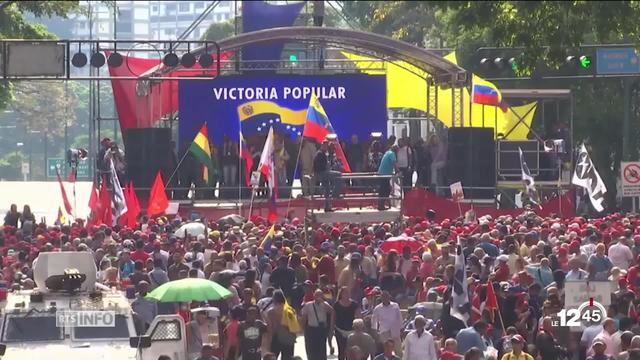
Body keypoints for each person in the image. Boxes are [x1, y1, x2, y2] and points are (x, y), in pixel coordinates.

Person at [301, 289, 336, 360]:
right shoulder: (308, 305)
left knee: (322, 350)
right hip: (311, 329)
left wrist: (331, 328)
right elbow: (304, 317)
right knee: (311, 350)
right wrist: (303, 328)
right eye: (317, 295)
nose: (318, 297)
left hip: (321, 330)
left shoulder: (325, 304)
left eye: (320, 295)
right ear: (314, 296)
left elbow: (332, 311)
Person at [266, 290, 296, 360]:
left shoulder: (271, 311)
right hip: (288, 337)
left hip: (276, 337)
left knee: (273, 357)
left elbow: (270, 328)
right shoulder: (290, 310)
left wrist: (268, 342)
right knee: (288, 358)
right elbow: (294, 327)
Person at [372, 291, 403, 356]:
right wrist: (375, 331)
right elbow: (374, 320)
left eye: (386, 296)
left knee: (398, 351)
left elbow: (399, 317)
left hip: (395, 331)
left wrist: (401, 328)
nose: (385, 298)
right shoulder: (377, 308)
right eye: (383, 297)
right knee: (387, 351)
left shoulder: (395, 306)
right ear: (381, 298)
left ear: (389, 297)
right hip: (384, 332)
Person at [334, 286, 362, 360]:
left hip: (351, 330)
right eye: (345, 293)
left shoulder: (354, 304)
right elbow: (333, 318)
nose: (346, 294)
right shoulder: (336, 305)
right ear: (341, 294)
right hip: (339, 330)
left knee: (351, 351)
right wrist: (331, 330)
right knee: (341, 351)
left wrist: (359, 328)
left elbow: (359, 316)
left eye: (348, 292)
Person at [377, 145, 398, 210]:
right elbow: (394, 163)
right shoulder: (392, 154)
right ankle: (381, 205)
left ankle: (382, 204)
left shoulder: (387, 152)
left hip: (382, 173)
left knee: (384, 189)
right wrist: (397, 170)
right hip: (385, 174)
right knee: (385, 190)